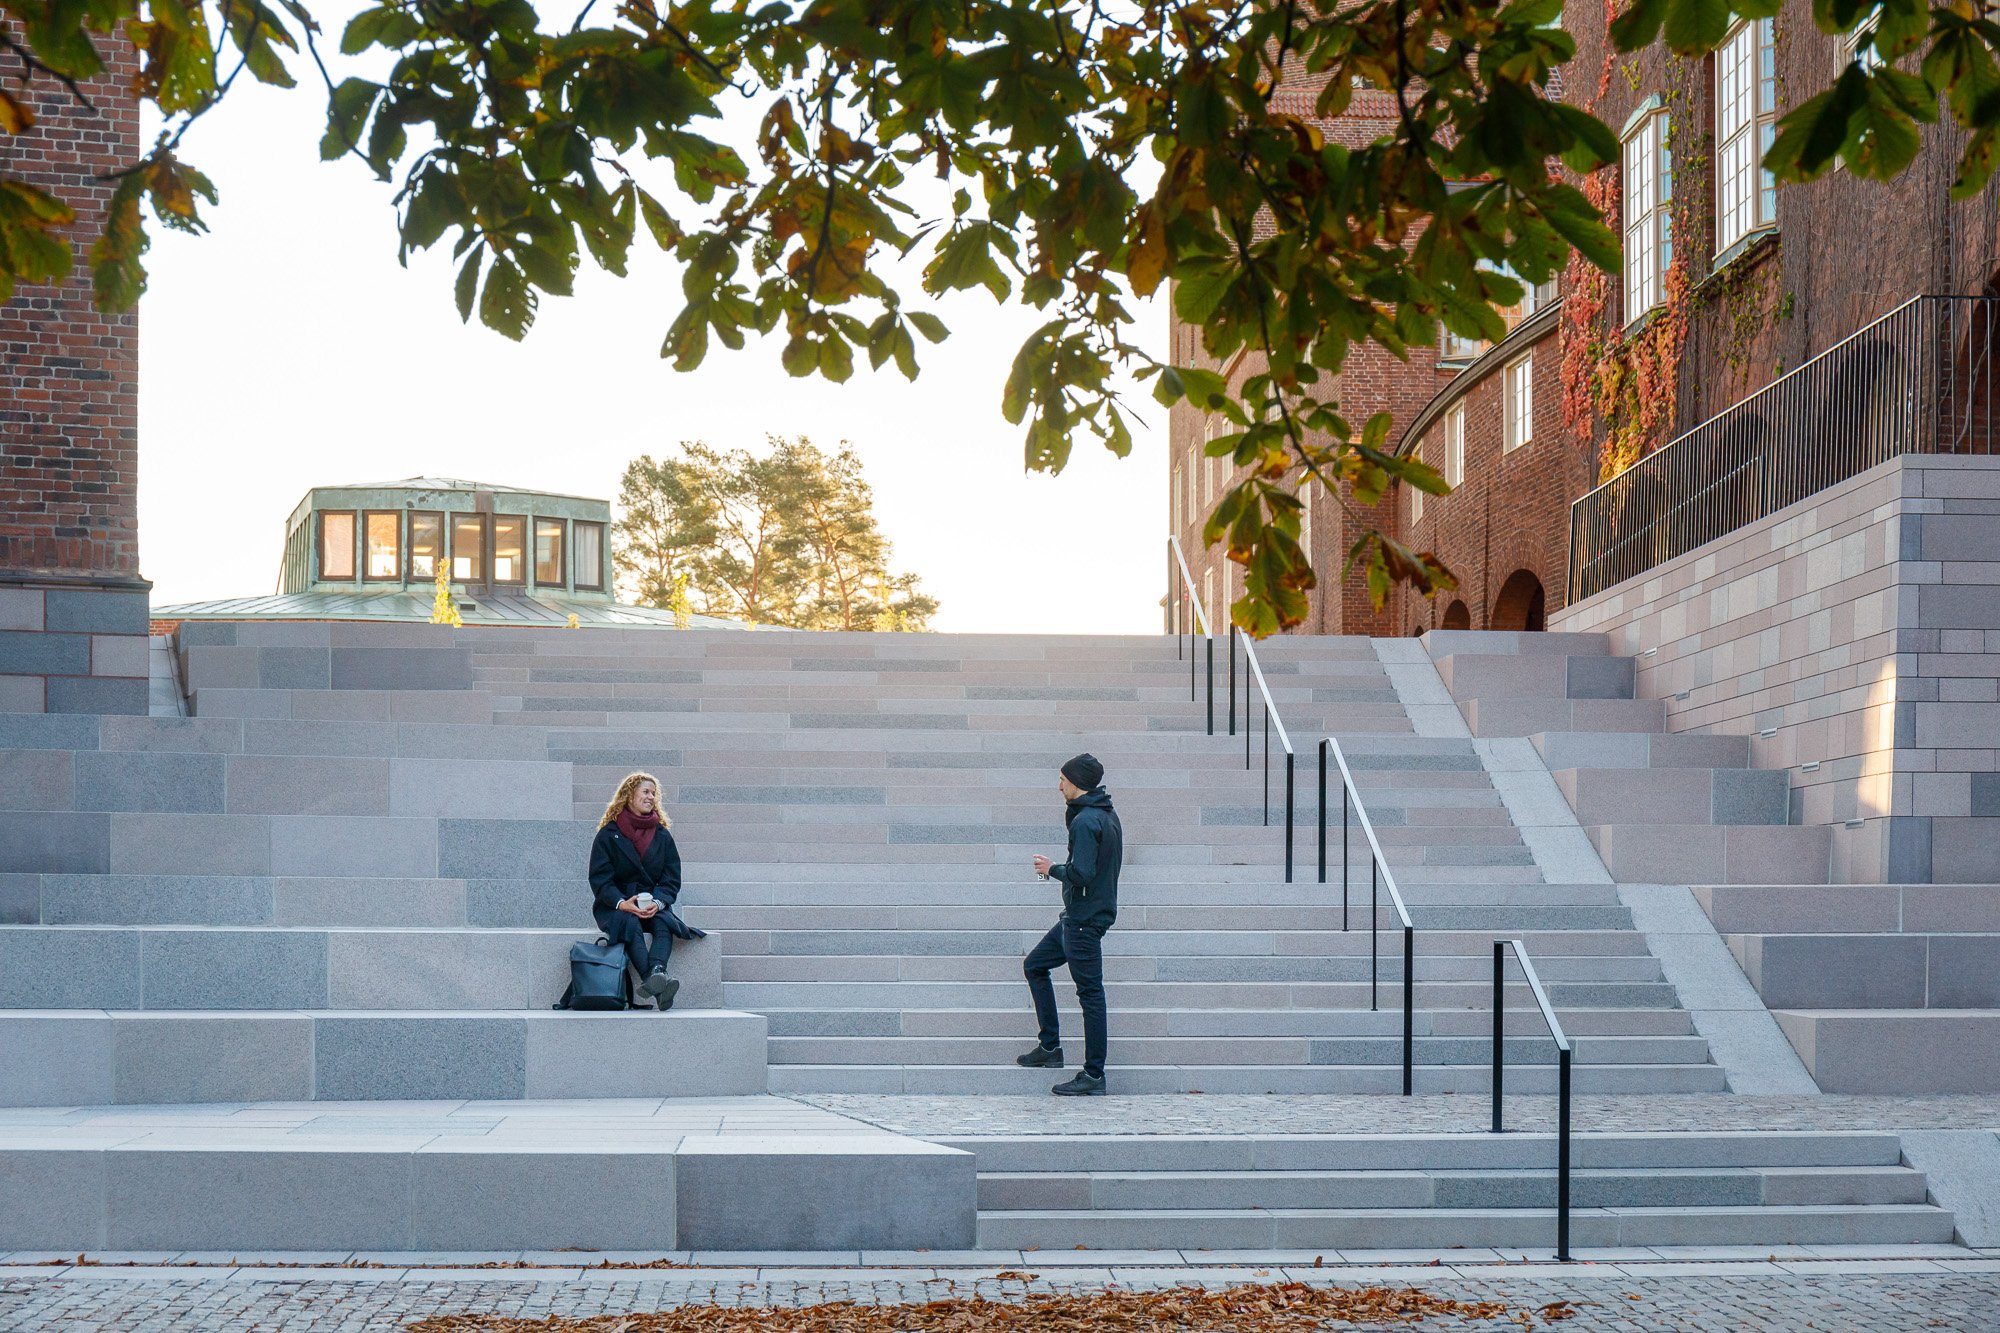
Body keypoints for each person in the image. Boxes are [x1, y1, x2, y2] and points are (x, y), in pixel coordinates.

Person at [1019, 752, 1123, 1096]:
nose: (1059, 784)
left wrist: (1051, 869)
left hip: (1083, 924)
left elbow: (1082, 873)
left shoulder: (1085, 822)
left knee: (1091, 995)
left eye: (1063, 779)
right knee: (1035, 965)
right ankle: (1050, 1049)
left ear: (1076, 782)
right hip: (1077, 919)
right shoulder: (1106, 816)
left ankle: (1093, 1075)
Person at [587, 772, 704, 1010]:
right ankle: (656, 978)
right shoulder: (608, 834)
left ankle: (657, 972)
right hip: (617, 906)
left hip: (652, 903)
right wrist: (622, 902)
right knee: (628, 923)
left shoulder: (662, 835)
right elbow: (600, 878)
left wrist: (659, 903)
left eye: (653, 793)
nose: (651, 797)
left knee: (664, 923)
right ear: (629, 795)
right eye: (645, 792)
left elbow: (671, 878)